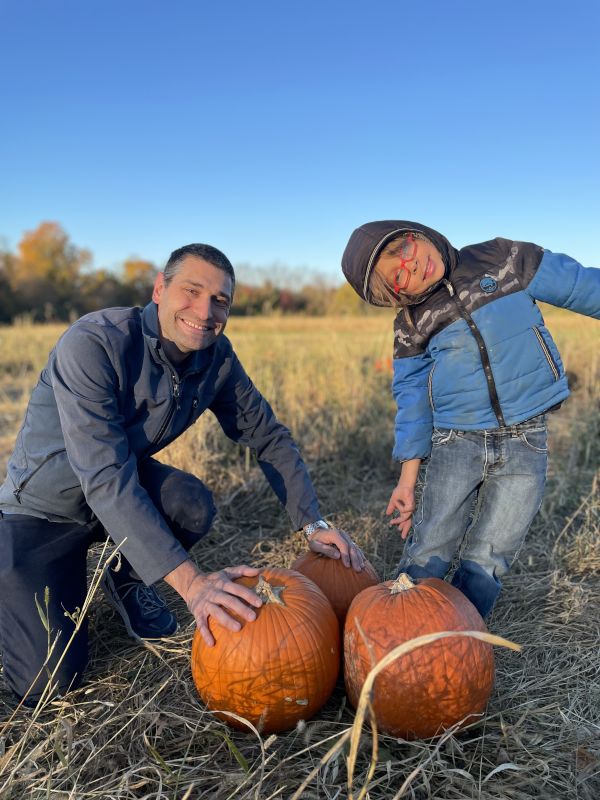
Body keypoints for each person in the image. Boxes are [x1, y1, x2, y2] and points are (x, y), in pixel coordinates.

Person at [0, 243, 365, 706]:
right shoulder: (95, 342)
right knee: (48, 686)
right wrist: (192, 585)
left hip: (118, 491)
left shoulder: (216, 358)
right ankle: (41, 580)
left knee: (190, 504)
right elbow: (105, 476)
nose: (205, 310)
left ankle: (127, 578)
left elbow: (268, 435)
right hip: (46, 512)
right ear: (160, 289)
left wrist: (311, 522)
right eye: (192, 291)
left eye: (220, 301)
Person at [342, 220, 599, 618]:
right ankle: (400, 626)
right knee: (432, 543)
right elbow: (412, 402)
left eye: (406, 251)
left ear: (416, 233)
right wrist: (408, 479)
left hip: (526, 440)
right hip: (456, 443)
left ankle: (460, 634)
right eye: (399, 279)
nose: (413, 268)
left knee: (493, 552)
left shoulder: (502, 258)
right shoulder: (411, 324)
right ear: (396, 296)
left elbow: (581, 286)